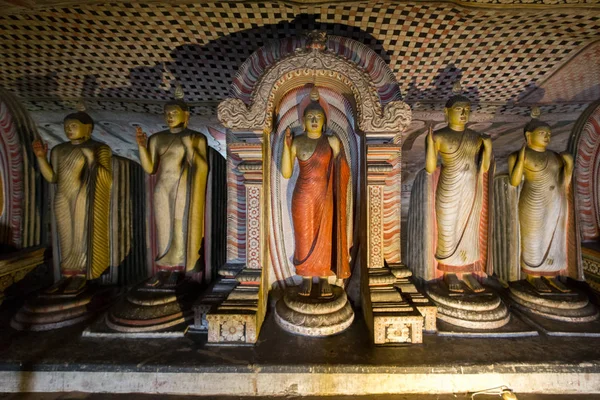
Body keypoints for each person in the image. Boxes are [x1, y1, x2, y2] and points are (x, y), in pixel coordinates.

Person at [281, 87, 351, 298]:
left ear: (324, 120)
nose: (313, 120)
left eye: (317, 117)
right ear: (303, 121)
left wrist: (338, 153)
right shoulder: (298, 141)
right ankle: (306, 277)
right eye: (310, 116)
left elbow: (343, 168)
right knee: (305, 236)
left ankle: (323, 276)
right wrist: (286, 147)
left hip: (325, 195)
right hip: (303, 194)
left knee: (326, 235)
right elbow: (286, 173)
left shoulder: (331, 141)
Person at [33, 109, 112, 294]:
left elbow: (106, 177)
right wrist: (41, 158)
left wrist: (91, 159)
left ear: (88, 128)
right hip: (62, 195)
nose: (69, 129)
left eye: (74, 126)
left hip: (82, 196)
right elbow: (53, 177)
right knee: (65, 237)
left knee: (80, 236)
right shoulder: (59, 150)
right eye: (67, 126)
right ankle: (67, 275)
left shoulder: (98, 148)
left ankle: (82, 275)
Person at [135, 88, 208, 286]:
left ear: (186, 115)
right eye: (167, 113)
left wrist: (189, 146)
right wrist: (142, 147)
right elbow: (150, 168)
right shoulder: (157, 138)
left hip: (181, 186)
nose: (169, 117)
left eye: (174, 113)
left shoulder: (195, 138)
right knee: (163, 227)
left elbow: (201, 167)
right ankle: (163, 268)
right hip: (162, 186)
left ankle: (179, 267)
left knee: (179, 226)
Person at [425, 86, 492, 293]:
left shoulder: (476, 137)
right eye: (458, 109)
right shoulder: (439, 136)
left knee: (469, 230)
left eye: (467, 110)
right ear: (447, 112)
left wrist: (488, 148)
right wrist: (429, 144)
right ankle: (449, 272)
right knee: (448, 229)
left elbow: (485, 168)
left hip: (470, 188)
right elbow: (429, 168)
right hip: (449, 188)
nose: (463, 114)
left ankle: (468, 271)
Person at [508, 116, 574, 293]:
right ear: (529, 136)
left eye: (549, 133)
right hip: (533, 201)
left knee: (554, 238)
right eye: (542, 133)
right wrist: (520, 162)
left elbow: (564, 184)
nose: (547, 136)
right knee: (534, 237)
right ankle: (533, 276)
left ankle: (551, 275)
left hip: (555, 201)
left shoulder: (555, 156)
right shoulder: (519, 155)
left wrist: (569, 166)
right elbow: (514, 182)